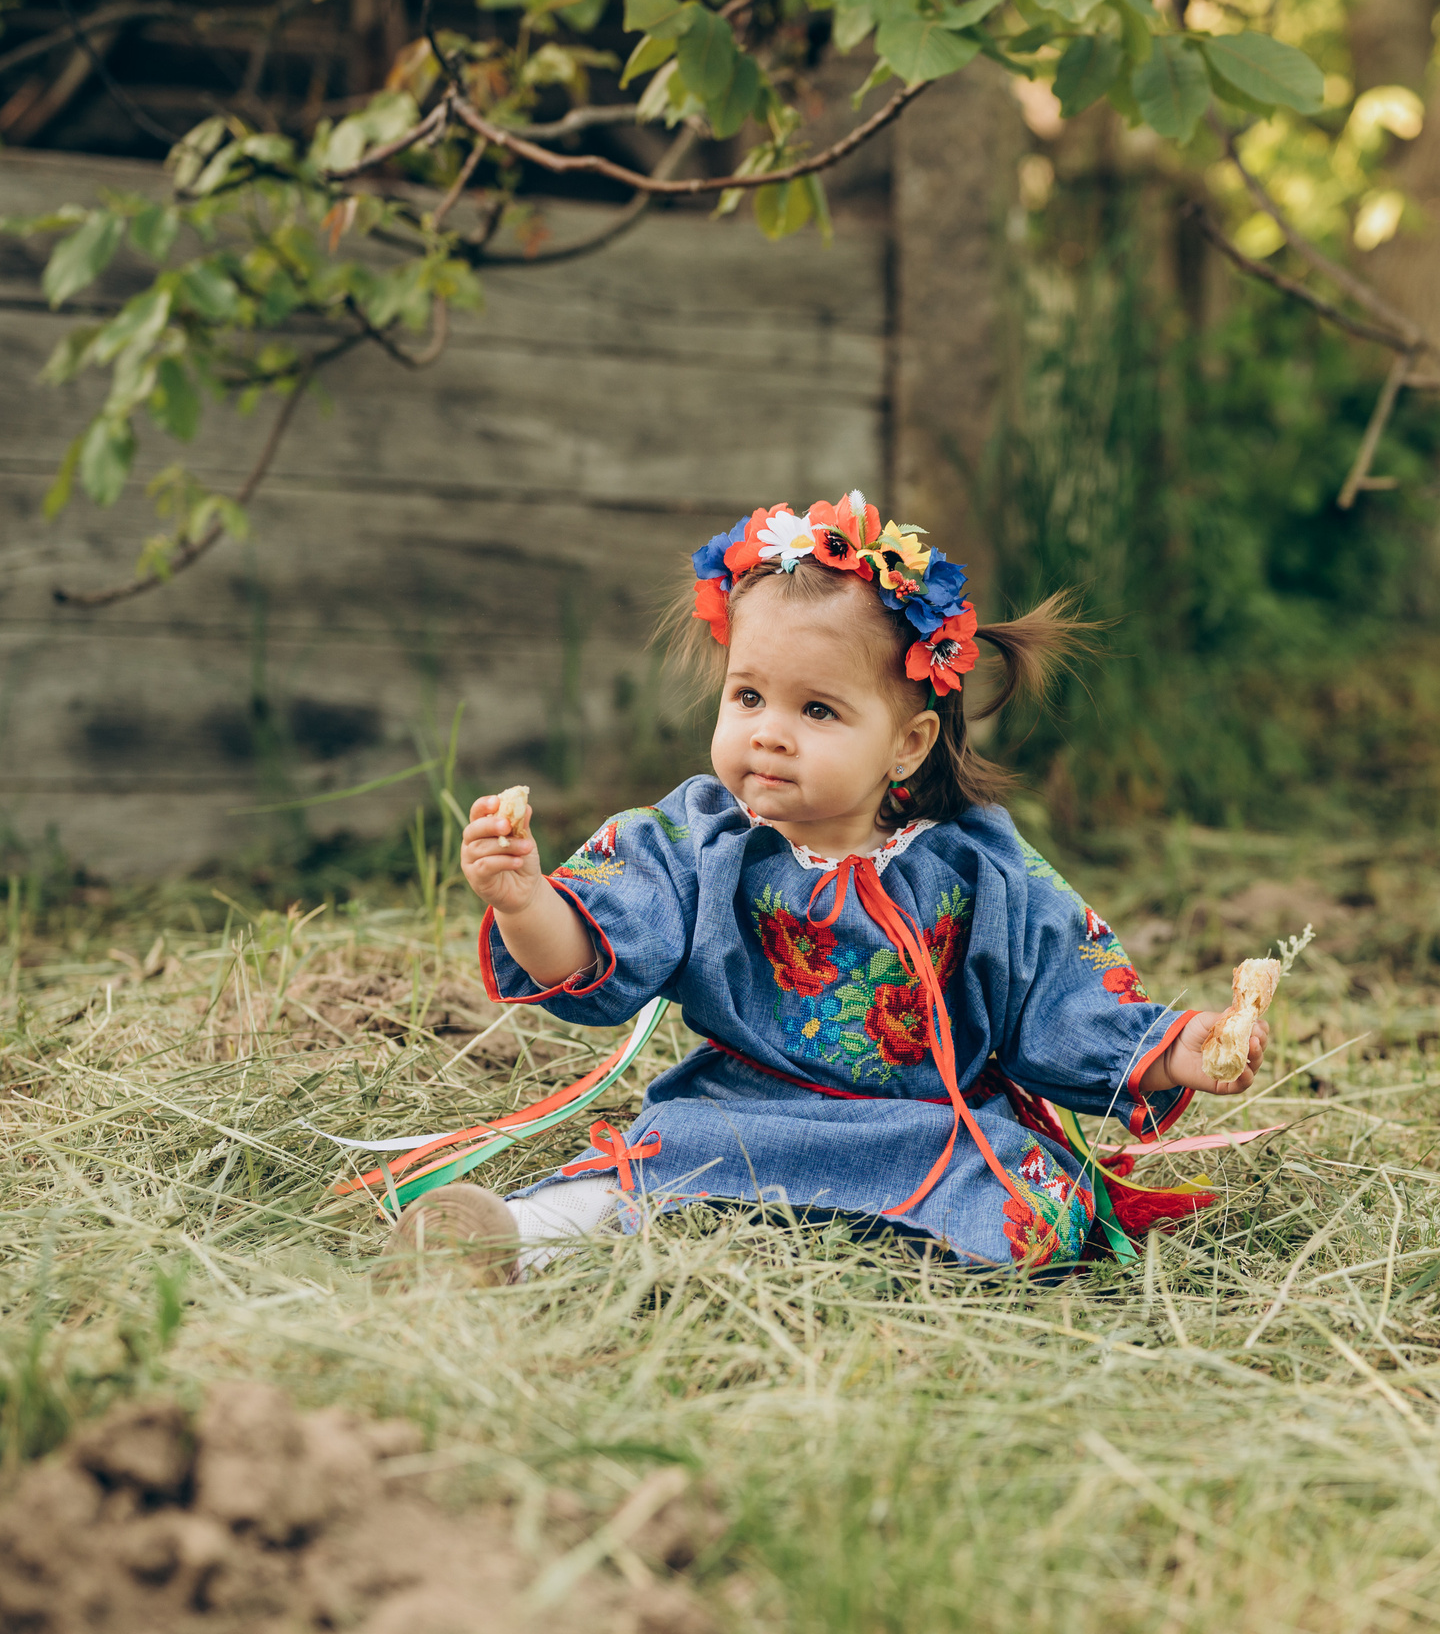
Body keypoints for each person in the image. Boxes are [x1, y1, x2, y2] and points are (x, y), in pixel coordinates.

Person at [386, 492, 1264, 1281]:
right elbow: (589, 950)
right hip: (738, 1116)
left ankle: (895, 1261)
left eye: (817, 710)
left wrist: (1179, 1050)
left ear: (908, 744)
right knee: (647, 1161)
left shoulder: (976, 866)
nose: (769, 733)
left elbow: (1062, 992)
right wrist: (525, 901)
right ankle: (513, 1240)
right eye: (748, 697)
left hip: (926, 1129)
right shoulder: (697, 840)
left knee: (1029, 1205)